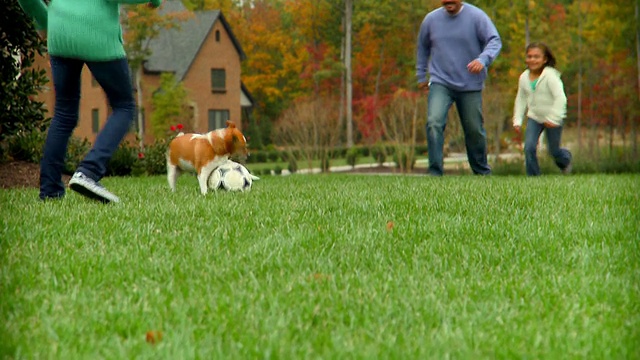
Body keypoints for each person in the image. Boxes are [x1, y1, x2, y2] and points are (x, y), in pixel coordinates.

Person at [18, 0, 162, 203]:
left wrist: (45, 21)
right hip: (97, 31)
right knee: (124, 106)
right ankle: (89, 171)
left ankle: (49, 191)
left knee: (63, 113)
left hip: (60, 31)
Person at [416, 0, 502, 176]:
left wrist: (483, 59)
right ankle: (435, 173)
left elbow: (494, 40)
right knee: (434, 122)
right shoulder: (431, 20)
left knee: (474, 130)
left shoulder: (476, 17)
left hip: (470, 83)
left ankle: (481, 172)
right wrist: (421, 76)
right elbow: (422, 48)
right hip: (440, 81)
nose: (448, 2)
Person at [512, 42, 571, 176]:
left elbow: (560, 98)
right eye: (529, 56)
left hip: (553, 118)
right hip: (534, 117)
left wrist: (554, 118)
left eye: (536, 57)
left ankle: (566, 160)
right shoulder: (524, 77)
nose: (532, 60)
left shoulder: (550, 76)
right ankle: (533, 178)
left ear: (544, 59)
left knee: (553, 151)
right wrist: (518, 120)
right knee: (529, 148)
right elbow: (520, 99)